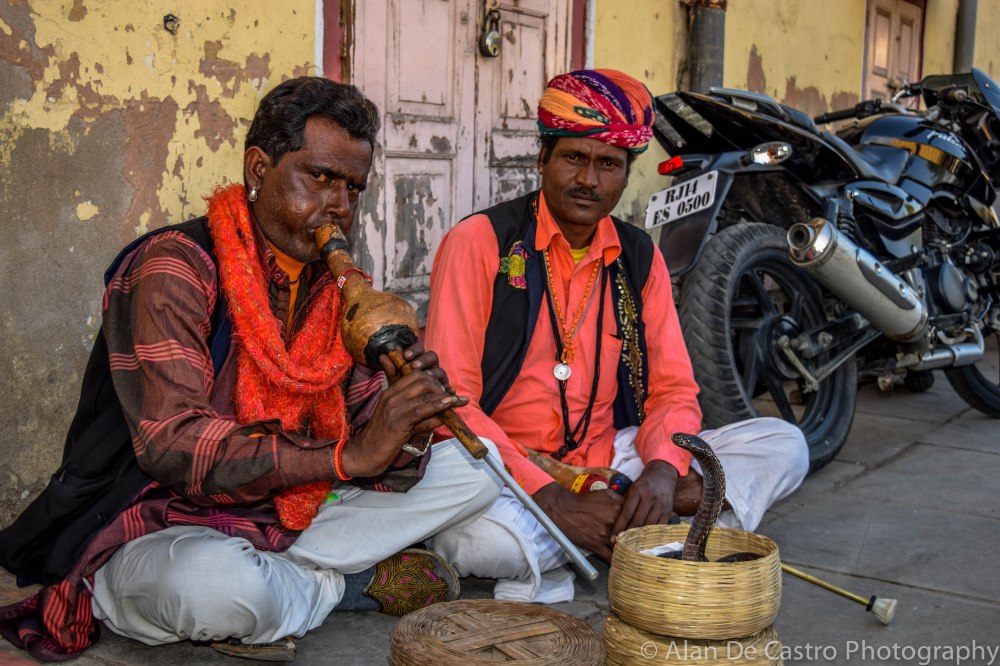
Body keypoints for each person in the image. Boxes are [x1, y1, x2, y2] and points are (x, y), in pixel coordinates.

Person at [0, 77, 502, 662]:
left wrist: (409, 425)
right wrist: (346, 457)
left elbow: (375, 452)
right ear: (259, 168)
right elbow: (174, 447)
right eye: (319, 177)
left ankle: (287, 575)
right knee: (211, 587)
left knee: (475, 471)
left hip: (289, 510)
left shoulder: (340, 292)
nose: (338, 206)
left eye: (352, 188)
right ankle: (342, 586)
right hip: (163, 517)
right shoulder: (175, 268)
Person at [423, 69, 809, 603]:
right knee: (475, 545)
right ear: (543, 159)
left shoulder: (637, 256)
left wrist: (659, 473)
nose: (588, 179)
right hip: (509, 467)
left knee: (784, 444)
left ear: (627, 174)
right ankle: (642, 533)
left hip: (611, 457)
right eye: (573, 158)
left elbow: (673, 389)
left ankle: (624, 519)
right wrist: (553, 498)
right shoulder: (480, 243)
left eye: (608, 164)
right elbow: (453, 401)